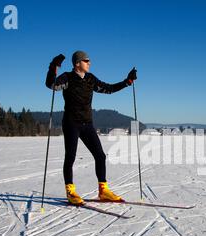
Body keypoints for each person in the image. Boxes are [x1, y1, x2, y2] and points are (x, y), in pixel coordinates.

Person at [45, 51, 137, 205]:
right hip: (71, 123)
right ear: (77, 63)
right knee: (70, 157)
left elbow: (108, 88)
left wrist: (126, 82)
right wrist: (53, 66)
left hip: (87, 123)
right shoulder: (67, 77)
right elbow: (51, 85)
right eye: (86, 60)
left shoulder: (90, 79)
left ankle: (103, 190)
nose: (89, 63)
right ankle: (70, 191)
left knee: (100, 156)